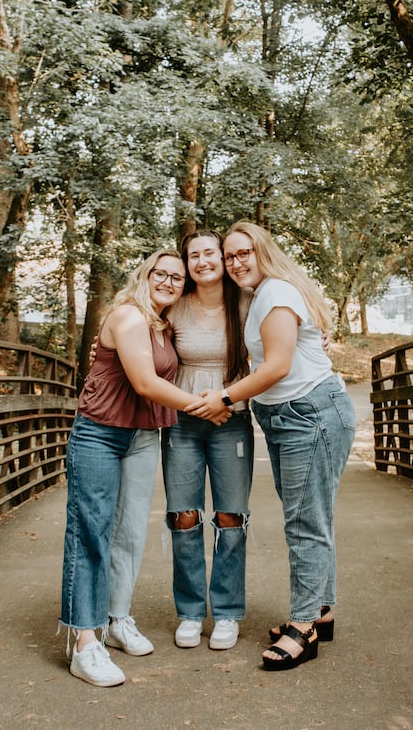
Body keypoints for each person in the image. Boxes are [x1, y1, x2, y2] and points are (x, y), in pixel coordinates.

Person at [186, 220, 355, 671]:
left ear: (264, 252)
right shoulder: (255, 296)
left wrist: (222, 396)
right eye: (231, 255)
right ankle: (322, 610)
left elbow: (278, 366)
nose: (237, 262)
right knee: (311, 516)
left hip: (310, 414)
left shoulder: (277, 293)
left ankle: (304, 626)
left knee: (304, 523)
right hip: (290, 417)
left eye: (245, 253)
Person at [59, 249, 231, 688]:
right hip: (99, 433)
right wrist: (208, 407)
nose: (170, 282)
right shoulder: (130, 317)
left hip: (141, 436)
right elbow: (145, 383)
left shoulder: (162, 324)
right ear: (146, 275)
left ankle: (117, 620)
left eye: (178, 278)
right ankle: (83, 643)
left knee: (131, 533)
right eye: (162, 273)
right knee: (91, 532)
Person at [161, 230, 254, 651]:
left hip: (230, 420)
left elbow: (276, 350)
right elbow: (136, 337)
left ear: (222, 258)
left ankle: (228, 613)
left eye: (209, 253)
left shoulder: (247, 303)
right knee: (184, 517)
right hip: (180, 420)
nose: (202, 261)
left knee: (231, 518)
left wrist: (226, 404)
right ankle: (190, 612)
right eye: (193, 255)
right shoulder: (174, 307)